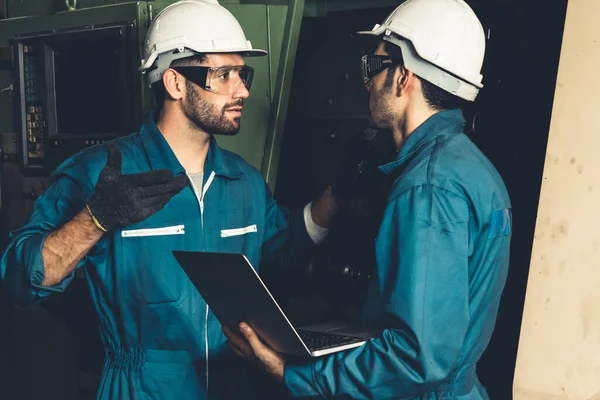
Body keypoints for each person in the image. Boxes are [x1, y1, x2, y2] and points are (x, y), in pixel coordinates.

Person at [0, 1, 339, 399]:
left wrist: (338, 196)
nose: (243, 89)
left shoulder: (242, 179)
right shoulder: (98, 173)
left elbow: (282, 251)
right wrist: (95, 220)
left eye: (242, 73)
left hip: (234, 385)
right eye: (224, 75)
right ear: (176, 83)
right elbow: (20, 280)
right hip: (143, 387)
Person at [224, 0, 512, 398]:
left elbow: (416, 358)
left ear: (402, 78)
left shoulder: (428, 187)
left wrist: (289, 372)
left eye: (373, 68)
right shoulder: (471, 167)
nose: (366, 83)